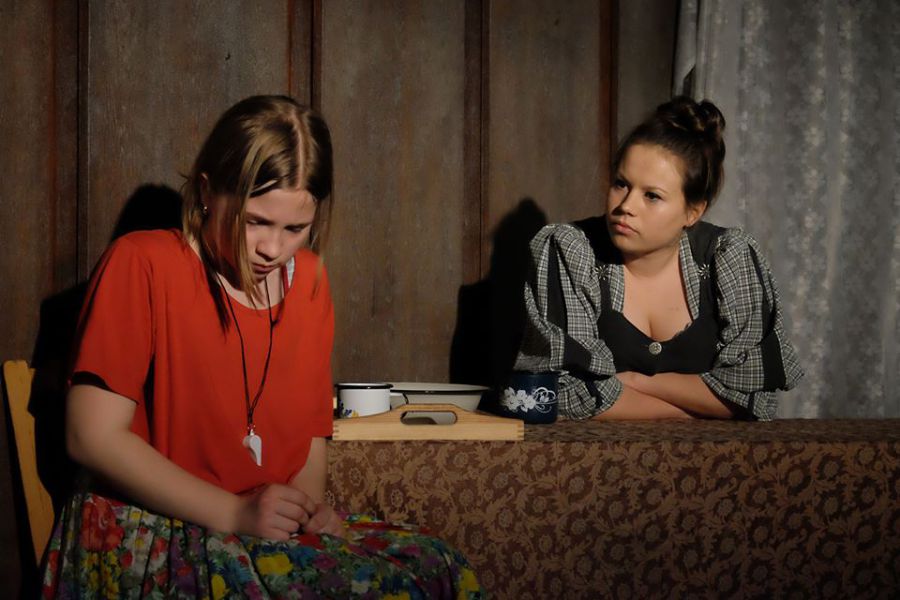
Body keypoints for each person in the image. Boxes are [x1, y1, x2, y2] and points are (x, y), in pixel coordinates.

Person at [42, 95, 483, 598]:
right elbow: (91, 436)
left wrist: (305, 510)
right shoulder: (142, 262)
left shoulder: (310, 280)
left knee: (439, 567)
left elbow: (309, 439)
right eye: (255, 221)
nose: (273, 248)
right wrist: (234, 513)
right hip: (154, 524)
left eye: (295, 228)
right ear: (206, 192)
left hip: (257, 524)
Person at [515, 97, 802, 420]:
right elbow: (566, 393)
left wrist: (635, 381)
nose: (626, 206)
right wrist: (694, 412)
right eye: (621, 184)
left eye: (652, 196)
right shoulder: (571, 250)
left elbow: (756, 399)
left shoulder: (730, 258)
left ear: (693, 212)